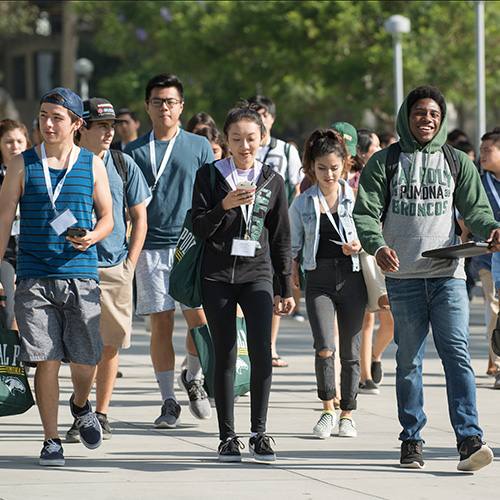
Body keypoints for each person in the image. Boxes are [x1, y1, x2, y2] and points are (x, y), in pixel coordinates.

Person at [353, 85, 499, 471]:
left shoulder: (457, 162)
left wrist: (493, 230)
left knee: (458, 356)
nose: (427, 120)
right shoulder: (385, 162)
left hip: (448, 276)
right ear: (407, 116)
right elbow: (365, 213)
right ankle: (411, 439)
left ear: (443, 119)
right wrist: (376, 244)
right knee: (408, 362)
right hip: (403, 278)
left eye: (434, 114)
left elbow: (477, 211)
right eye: (420, 113)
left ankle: (469, 440)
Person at [0, 87, 114, 466]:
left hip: (81, 274)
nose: (47, 124)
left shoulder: (92, 164)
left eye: (57, 117)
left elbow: (109, 218)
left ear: (77, 124)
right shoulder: (22, 163)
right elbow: (2, 220)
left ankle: (81, 406)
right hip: (33, 275)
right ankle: (51, 439)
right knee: (46, 360)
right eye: (43, 115)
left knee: (86, 361)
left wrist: (94, 237)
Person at [191, 101, 294, 463]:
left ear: (262, 139)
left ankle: (260, 432)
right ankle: (227, 435)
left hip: (257, 273)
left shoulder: (272, 180)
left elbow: (281, 236)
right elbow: (199, 227)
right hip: (216, 274)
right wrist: (224, 205)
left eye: (251, 138)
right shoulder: (209, 176)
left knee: (261, 350)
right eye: (236, 139)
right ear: (226, 140)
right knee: (225, 352)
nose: (244, 146)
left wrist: (285, 285)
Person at [124, 73, 215, 427]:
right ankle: (167, 401)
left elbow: (209, 195)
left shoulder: (199, 146)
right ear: (148, 106)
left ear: (181, 107)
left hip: (190, 246)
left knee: (199, 321)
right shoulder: (131, 150)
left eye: (171, 102)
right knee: (161, 324)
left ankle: (193, 378)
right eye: (158, 101)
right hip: (148, 247)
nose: (165, 108)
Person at [64, 97, 149, 441]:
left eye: (112, 126)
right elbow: (54, 210)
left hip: (114, 268)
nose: (109, 132)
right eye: (102, 126)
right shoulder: (65, 163)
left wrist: (130, 262)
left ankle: (101, 412)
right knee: (80, 346)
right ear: (81, 127)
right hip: (72, 267)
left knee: (110, 344)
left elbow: (140, 216)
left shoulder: (123, 163)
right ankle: (81, 408)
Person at [289, 129, 365, 439]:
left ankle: (347, 413)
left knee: (350, 350)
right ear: (311, 168)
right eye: (322, 168)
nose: (329, 174)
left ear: (345, 165)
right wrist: (290, 274)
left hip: (353, 276)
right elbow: (293, 244)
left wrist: (358, 244)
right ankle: (327, 409)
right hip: (318, 278)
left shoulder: (356, 198)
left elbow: (371, 233)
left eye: (334, 168)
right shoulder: (303, 203)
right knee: (324, 347)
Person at [248, 94, 303, 367]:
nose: (261, 119)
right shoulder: (245, 145)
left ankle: (269, 346)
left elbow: (295, 187)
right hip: (246, 228)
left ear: (271, 118)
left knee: (274, 287)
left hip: (273, 227)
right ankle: (246, 346)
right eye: (254, 113)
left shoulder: (286, 150)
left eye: (264, 115)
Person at [351, 128, 394, 396]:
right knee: (367, 320)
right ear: (363, 152)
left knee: (391, 319)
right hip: (365, 254)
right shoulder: (354, 182)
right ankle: (364, 376)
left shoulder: (387, 177)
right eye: (375, 145)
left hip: (388, 252)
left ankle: (374, 356)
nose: (380, 149)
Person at [468, 131, 500, 388]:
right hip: (490, 260)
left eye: (488, 150)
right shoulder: (478, 184)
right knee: (495, 310)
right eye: (481, 150)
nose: (482, 155)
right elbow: (464, 216)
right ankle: (499, 366)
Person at [0, 119, 31, 329]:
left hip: (31, 247)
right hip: (5, 250)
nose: (15, 146)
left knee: (31, 311)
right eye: (9, 142)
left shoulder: (36, 172)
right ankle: (11, 361)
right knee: (9, 310)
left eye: (20, 141)